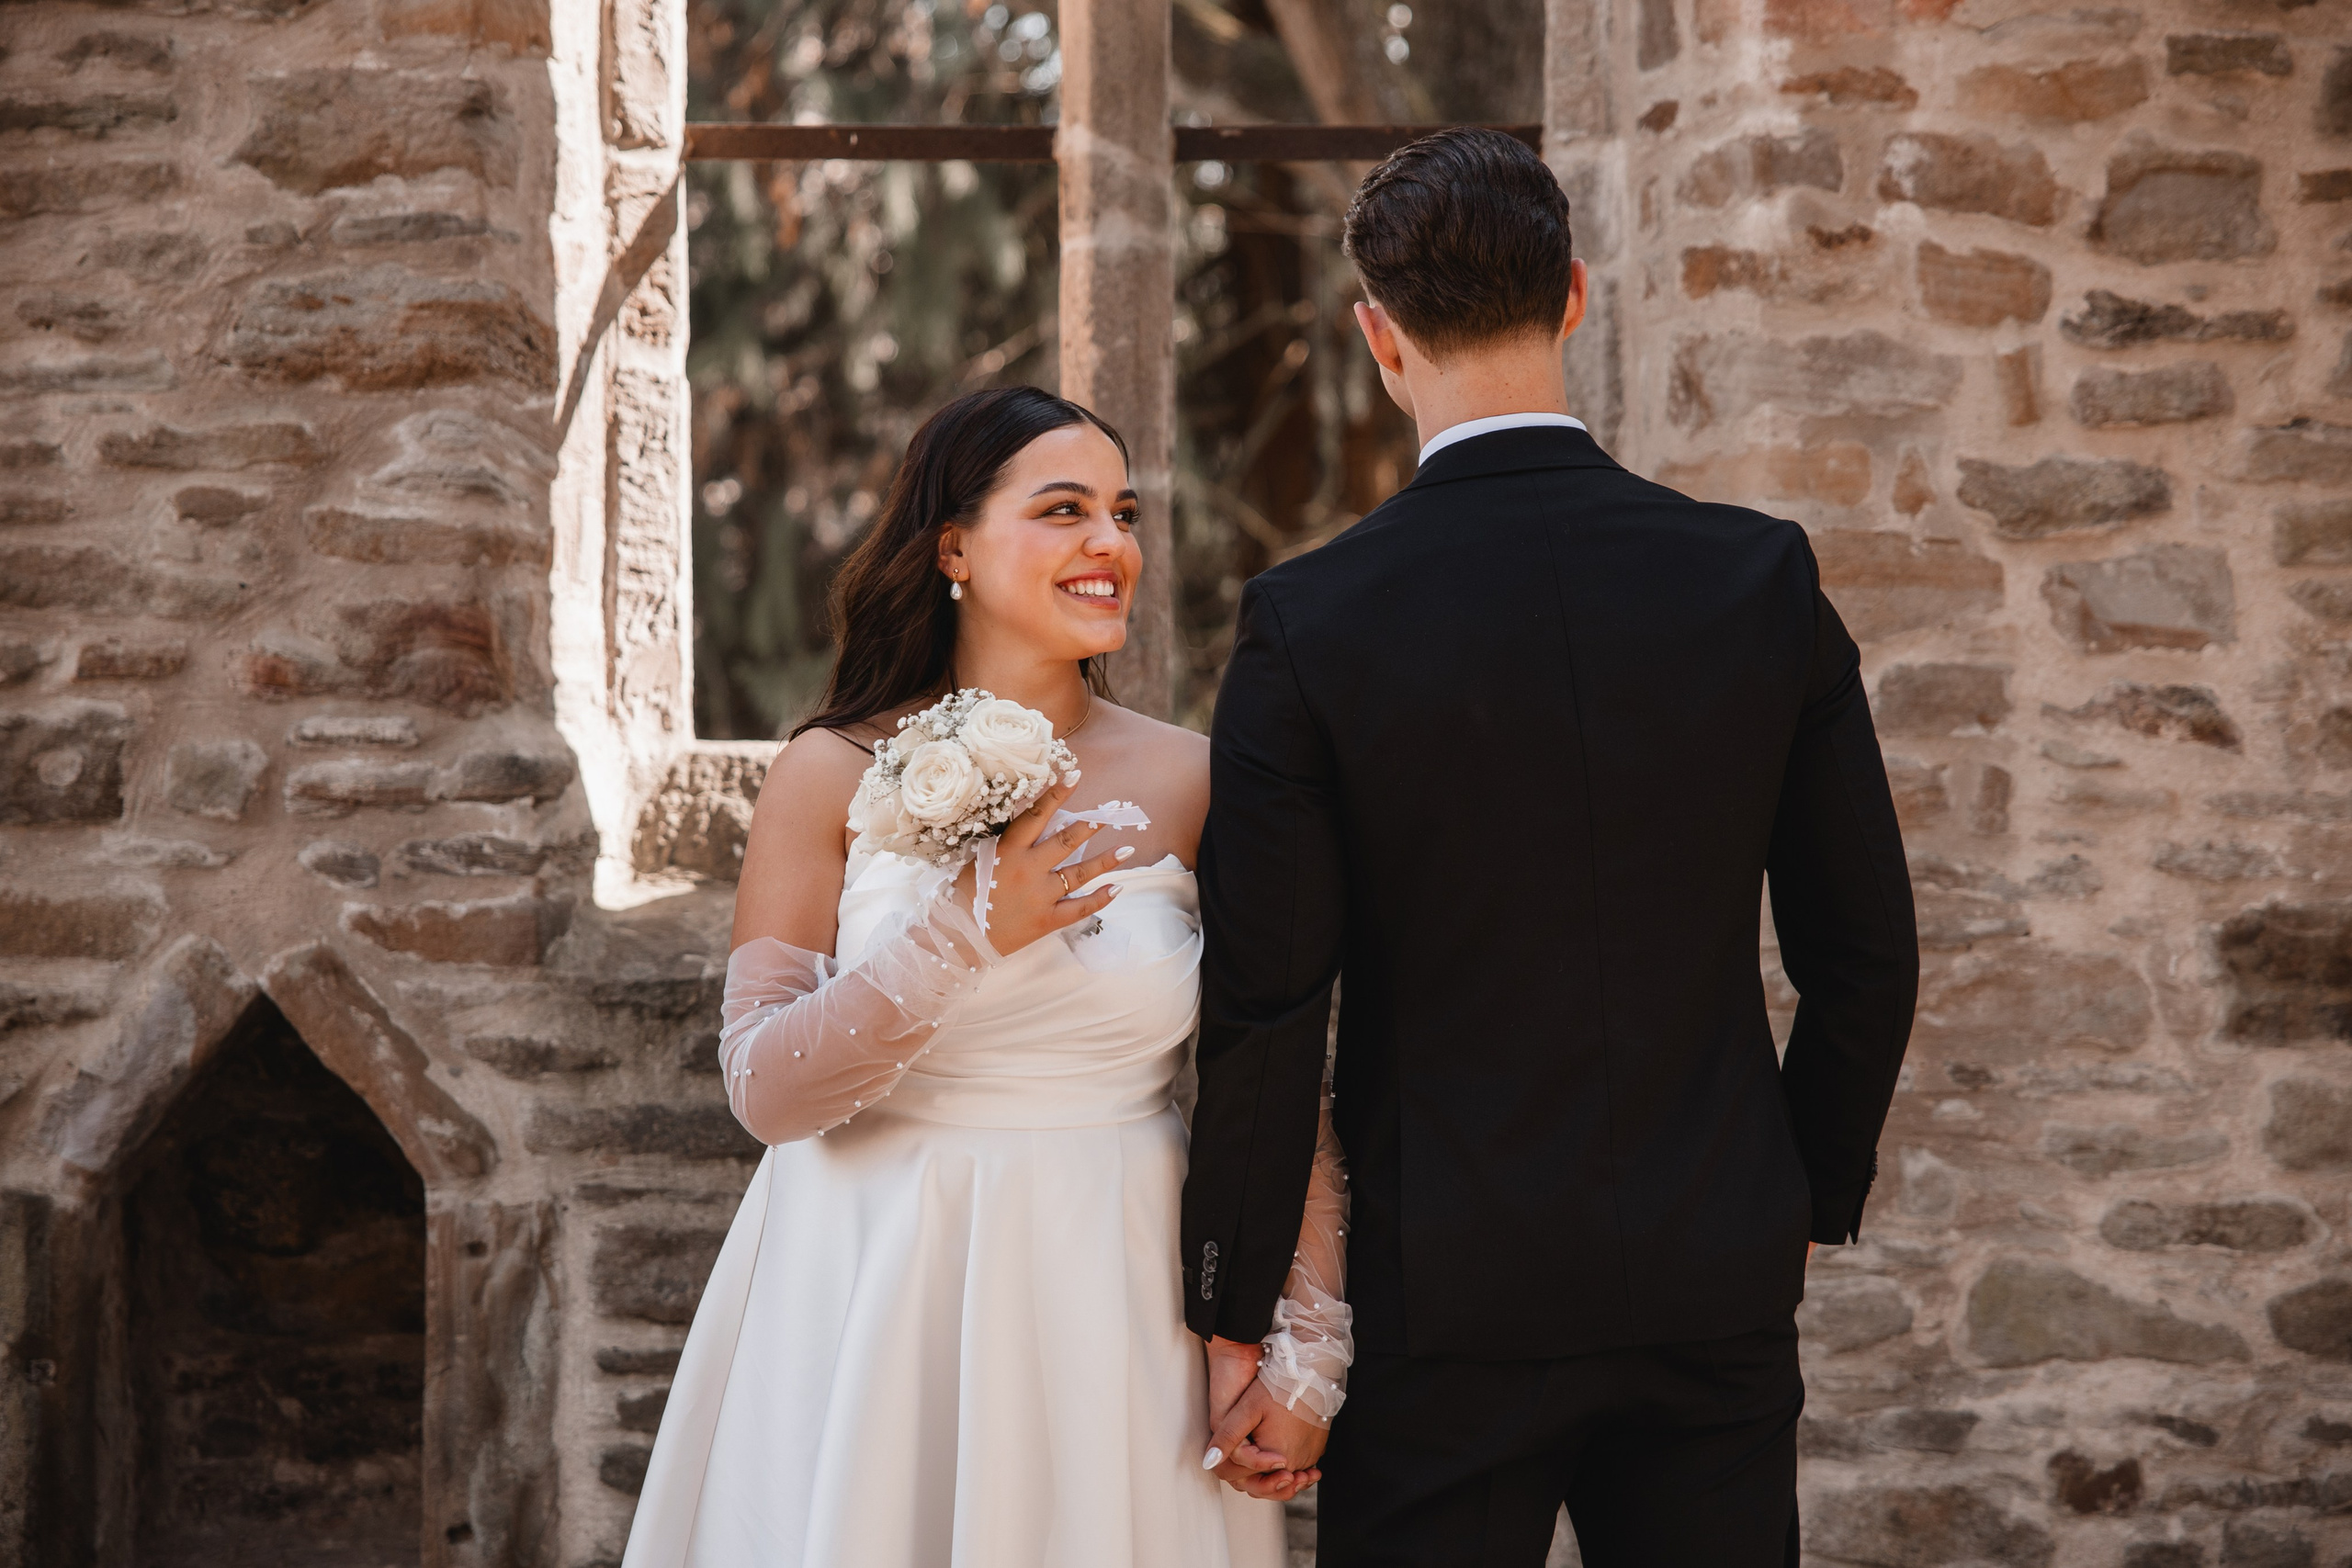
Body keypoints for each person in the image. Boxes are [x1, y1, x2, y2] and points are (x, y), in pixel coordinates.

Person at [1182, 128, 1919, 1567]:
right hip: (1713, 1266)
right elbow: (1865, 953)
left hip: (1446, 1292)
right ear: (1575, 297)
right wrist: (1803, 1193)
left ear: (1379, 338)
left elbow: (1267, 1007)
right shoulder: (1758, 579)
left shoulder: (1311, 623)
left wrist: (1238, 1312)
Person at [617, 385, 1347, 1568]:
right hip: (871, 1276)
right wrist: (963, 932)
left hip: (1114, 1281)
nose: (1111, 543)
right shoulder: (827, 771)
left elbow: (1275, 1087)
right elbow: (763, 1090)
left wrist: (1309, 1348)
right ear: (952, 545)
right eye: (1064, 510)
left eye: (1123, 513)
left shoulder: (1201, 781)